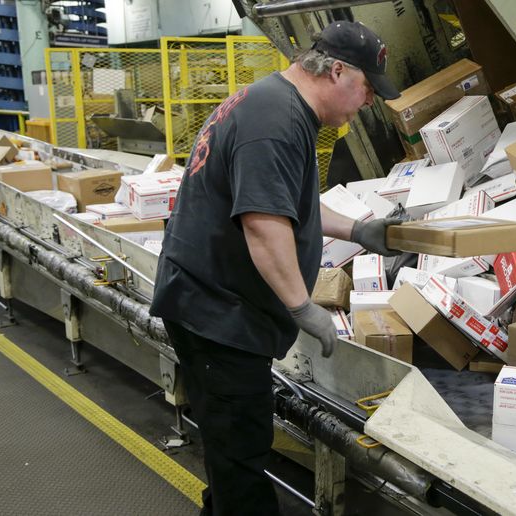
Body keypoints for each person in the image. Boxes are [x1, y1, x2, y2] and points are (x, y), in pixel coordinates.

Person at [150, 20, 402, 515]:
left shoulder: (279, 104)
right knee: (240, 452)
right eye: (368, 87)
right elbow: (264, 225)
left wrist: (359, 231)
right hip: (217, 315)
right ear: (336, 72)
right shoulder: (275, 122)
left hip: (217, 305)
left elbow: (290, 202)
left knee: (231, 445)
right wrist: (302, 306)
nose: (369, 100)